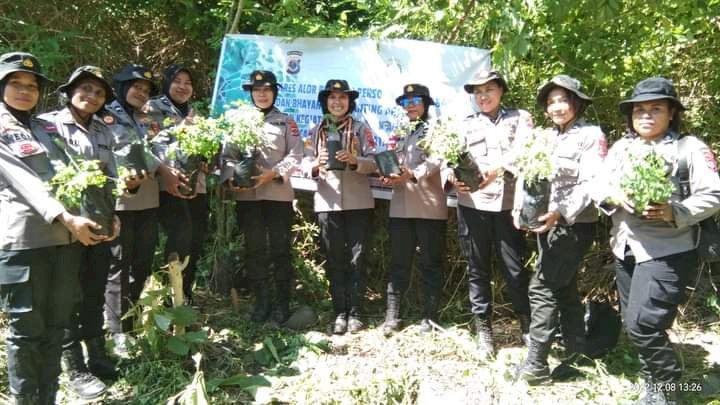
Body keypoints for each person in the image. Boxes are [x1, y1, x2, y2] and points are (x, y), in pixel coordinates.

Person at [596, 77, 720, 404]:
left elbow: (714, 193)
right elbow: (599, 186)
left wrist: (674, 211)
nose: (646, 115)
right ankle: (651, 381)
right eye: (639, 110)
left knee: (643, 323)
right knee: (634, 320)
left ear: (672, 113)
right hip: (624, 244)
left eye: (656, 108)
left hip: (668, 248)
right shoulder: (622, 148)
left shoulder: (689, 148)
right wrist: (613, 196)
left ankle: (669, 390)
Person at [0, 52, 108, 405]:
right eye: (15, 83)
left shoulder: (45, 128)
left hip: (65, 241)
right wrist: (68, 218)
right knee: (26, 332)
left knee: (56, 327)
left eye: (31, 85)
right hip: (25, 242)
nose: (24, 91)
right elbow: (25, 182)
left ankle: (47, 397)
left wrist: (104, 211)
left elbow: (74, 174)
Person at [37, 65, 126, 399]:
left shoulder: (104, 130)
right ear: (70, 90)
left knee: (93, 292)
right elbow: (44, 178)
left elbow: (111, 175)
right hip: (65, 228)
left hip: (99, 223)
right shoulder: (46, 125)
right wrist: (67, 218)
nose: (91, 96)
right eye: (85, 89)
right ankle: (75, 368)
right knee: (66, 299)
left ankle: (98, 356)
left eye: (99, 93)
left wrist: (114, 213)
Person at [515, 75, 606, 384]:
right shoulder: (543, 137)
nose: (557, 107)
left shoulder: (591, 135)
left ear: (576, 103)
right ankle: (576, 356)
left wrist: (560, 212)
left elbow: (592, 183)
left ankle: (536, 366)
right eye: (551, 101)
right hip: (546, 224)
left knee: (541, 288)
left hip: (573, 225)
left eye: (563, 100)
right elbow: (528, 176)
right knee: (564, 289)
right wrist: (519, 209)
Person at [103, 64, 186, 356]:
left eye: (145, 89)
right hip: (120, 203)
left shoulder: (147, 118)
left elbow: (160, 147)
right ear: (122, 86)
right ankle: (116, 331)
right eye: (135, 87)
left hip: (150, 201)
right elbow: (113, 153)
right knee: (118, 267)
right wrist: (162, 168)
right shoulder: (106, 116)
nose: (140, 93)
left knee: (142, 262)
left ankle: (133, 320)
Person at [451, 70, 533, 356]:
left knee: (515, 268)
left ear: (501, 91)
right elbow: (448, 159)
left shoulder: (519, 119)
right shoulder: (465, 125)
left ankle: (527, 325)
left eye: (488, 89)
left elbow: (526, 151)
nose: (483, 96)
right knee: (477, 268)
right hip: (473, 205)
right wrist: (453, 178)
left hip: (508, 206)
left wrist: (498, 168)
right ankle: (483, 330)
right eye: (477, 92)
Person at [220, 70, 302, 323]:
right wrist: (231, 175)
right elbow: (227, 157)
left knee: (280, 249)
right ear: (251, 93)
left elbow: (296, 154)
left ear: (274, 92)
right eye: (257, 90)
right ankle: (261, 302)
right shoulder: (237, 121)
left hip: (278, 195)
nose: (262, 94)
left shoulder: (286, 121)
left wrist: (274, 173)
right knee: (254, 250)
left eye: (267, 90)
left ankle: (282, 304)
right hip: (248, 198)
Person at [303, 79, 377, 334]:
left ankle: (356, 312)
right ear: (325, 101)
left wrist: (356, 161)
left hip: (359, 202)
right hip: (327, 200)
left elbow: (375, 161)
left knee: (358, 257)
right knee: (334, 258)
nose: (337, 102)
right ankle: (339, 312)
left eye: (342, 98)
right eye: (332, 98)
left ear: (350, 102)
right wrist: (315, 163)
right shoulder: (315, 130)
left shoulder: (360, 128)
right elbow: (301, 162)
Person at [380, 84, 447, 335]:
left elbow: (438, 160)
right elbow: (391, 163)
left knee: (431, 263)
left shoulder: (438, 130)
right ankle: (392, 316)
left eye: (415, 100)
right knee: (399, 263)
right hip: (400, 207)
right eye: (406, 101)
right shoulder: (398, 132)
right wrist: (388, 175)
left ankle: (430, 318)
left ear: (426, 103)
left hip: (430, 206)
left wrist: (411, 173)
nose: (410, 105)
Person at [146, 64, 208, 303]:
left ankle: (186, 296)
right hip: (168, 186)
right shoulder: (152, 108)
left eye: (188, 83)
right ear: (167, 83)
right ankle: (171, 297)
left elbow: (204, 149)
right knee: (179, 237)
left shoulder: (196, 113)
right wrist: (182, 130)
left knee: (195, 240)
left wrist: (207, 160)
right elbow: (146, 144)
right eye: (177, 81)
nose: (183, 87)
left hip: (196, 187)